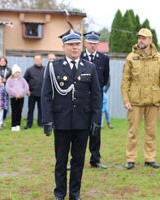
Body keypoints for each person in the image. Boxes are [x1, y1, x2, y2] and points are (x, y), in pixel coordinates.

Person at [41, 29, 102, 200]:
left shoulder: (89, 67)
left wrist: (97, 120)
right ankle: (60, 193)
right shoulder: (54, 67)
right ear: (64, 47)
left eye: (77, 44)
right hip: (61, 122)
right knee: (61, 161)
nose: (75, 48)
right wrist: (47, 120)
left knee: (78, 161)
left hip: (83, 123)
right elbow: (46, 95)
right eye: (71, 45)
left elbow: (97, 96)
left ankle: (75, 194)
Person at [121, 28, 160, 170]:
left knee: (151, 131)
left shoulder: (159, 58)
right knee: (132, 131)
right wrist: (126, 100)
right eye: (139, 38)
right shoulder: (131, 57)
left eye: (144, 38)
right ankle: (130, 159)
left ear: (150, 40)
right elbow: (125, 82)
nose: (140, 40)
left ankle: (150, 158)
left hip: (153, 101)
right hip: (135, 101)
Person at [80, 31, 110, 169]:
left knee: (95, 129)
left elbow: (106, 79)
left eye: (95, 43)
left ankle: (95, 159)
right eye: (90, 43)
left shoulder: (104, 59)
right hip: (81, 99)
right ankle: (77, 159)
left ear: (98, 44)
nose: (92, 45)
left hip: (96, 99)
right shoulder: (79, 56)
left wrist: (100, 93)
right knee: (78, 130)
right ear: (85, 43)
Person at [24, 54, 45, 129]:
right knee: (30, 110)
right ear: (34, 60)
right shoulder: (29, 70)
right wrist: (27, 90)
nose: (37, 61)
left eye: (39, 59)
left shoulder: (45, 69)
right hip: (31, 94)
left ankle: (41, 123)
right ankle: (29, 124)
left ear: (41, 60)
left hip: (42, 94)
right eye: (36, 59)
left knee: (41, 110)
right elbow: (24, 81)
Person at [5, 64, 29, 131]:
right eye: (16, 72)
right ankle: (13, 125)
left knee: (19, 111)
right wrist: (15, 94)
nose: (17, 74)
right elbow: (7, 88)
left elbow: (26, 87)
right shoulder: (9, 80)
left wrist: (21, 94)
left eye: (19, 72)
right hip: (13, 98)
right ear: (13, 73)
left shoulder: (22, 79)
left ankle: (18, 125)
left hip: (21, 98)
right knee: (14, 111)